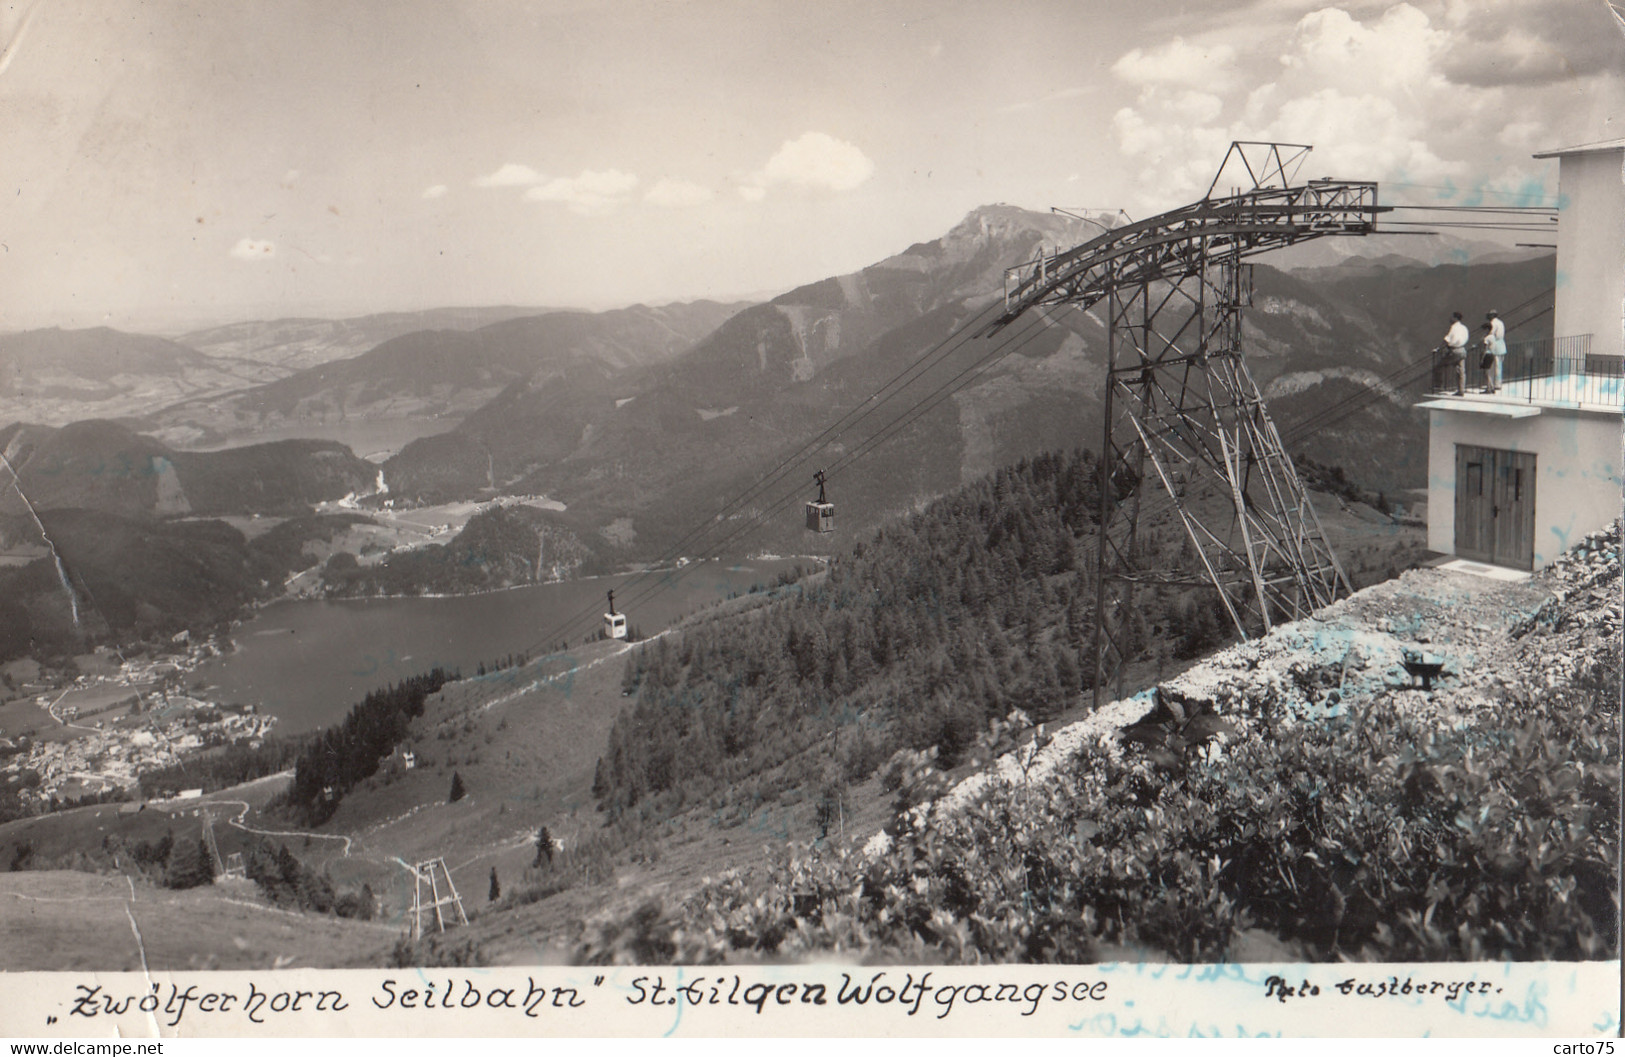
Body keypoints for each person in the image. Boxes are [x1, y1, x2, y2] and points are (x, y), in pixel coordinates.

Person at [1442, 311, 1469, 395]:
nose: (1450, 318)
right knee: (1461, 371)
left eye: (1452, 317)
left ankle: (1444, 385)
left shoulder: (1453, 327)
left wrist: (1442, 348)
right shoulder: (1464, 328)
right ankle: (1461, 389)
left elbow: (1448, 339)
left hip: (1454, 350)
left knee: (1445, 363)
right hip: (1462, 350)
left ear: (1455, 318)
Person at [1486, 310, 1506, 391]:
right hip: (1501, 345)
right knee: (1499, 366)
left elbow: (1491, 333)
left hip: (1494, 345)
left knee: (1492, 367)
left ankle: (1492, 384)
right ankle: (1498, 384)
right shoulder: (1501, 322)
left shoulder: (1493, 323)